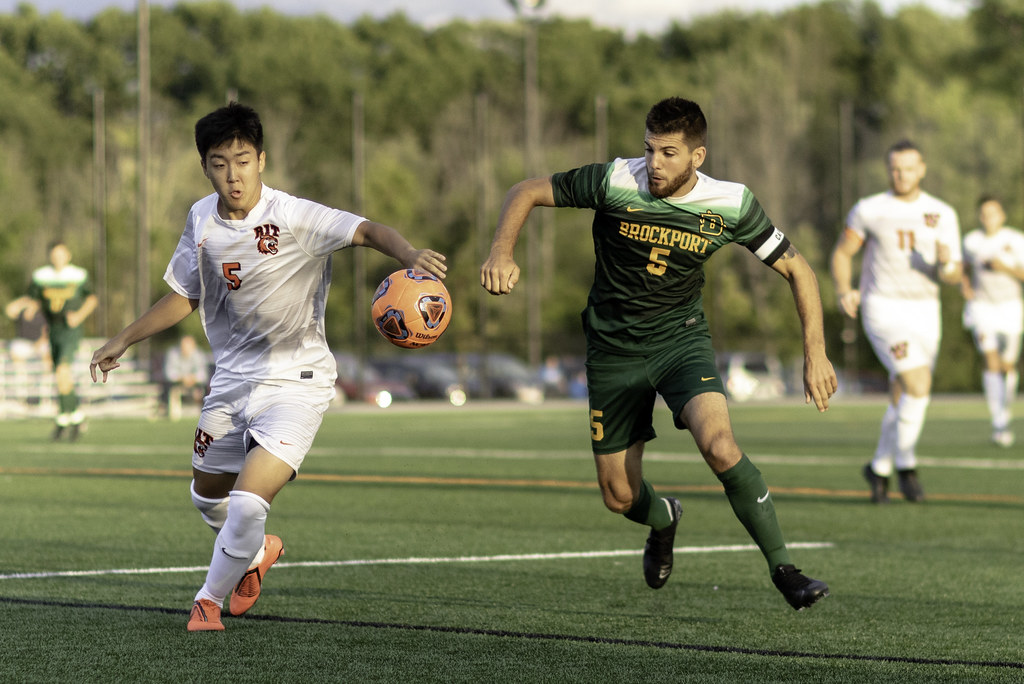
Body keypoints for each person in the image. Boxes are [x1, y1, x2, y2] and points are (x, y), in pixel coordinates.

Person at [89, 102, 447, 632]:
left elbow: (370, 231)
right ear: (205, 166)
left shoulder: (295, 216)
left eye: (242, 160)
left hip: (297, 384)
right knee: (206, 497)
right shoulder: (199, 218)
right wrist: (123, 338)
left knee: (249, 502)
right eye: (218, 163)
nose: (233, 176)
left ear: (262, 159)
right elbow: (185, 294)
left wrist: (408, 253)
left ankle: (207, 601)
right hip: (231, 381)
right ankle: (255, 555)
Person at [481, 97, 836, 611]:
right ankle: (664, 518)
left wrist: (815, 352)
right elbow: (527, 190)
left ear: (698, 156)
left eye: (669, 152)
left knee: (718, 445)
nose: (655, 163)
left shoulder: (731, 203)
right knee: (619, 497)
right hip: (612, 352)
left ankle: (785, 570)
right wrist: (500, 252)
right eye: (649, 148)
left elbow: (799, 270)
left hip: (680, 343)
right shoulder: (614, 180)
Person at [831, 140, 962, 504]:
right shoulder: (870, 209)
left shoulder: (943, 213)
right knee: (918, 383)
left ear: (922, 169)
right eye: (894, 168)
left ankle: (880, 467)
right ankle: (905, 465)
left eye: (907, 168)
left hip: (926, 311)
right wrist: (845, 289)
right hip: (883, 309)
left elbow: (954, 275)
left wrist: (946, 263)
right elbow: (843, 253)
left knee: (904, 393)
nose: (900, 174)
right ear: (888, 170)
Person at [8, 240, 97, 440]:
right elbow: (33, 298)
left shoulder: (78, 275)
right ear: (50, 256)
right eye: (54, 255)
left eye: (61, 254)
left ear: (68, 255)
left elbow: (92, 299)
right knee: (60, 376)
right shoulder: (41, 276)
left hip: (70, 331)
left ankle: (67, 418)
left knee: (62, 370)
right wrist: (24, 307)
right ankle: (71, 417)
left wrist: (79, 316)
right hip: (52, 330)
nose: (57, 258)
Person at [960, 195, 1024, 447]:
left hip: (1010, 308)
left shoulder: (1015, 239)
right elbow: (963, 267)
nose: (988, 218)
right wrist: (965, 286)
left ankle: (1004, 411)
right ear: (979, 216)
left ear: (1002, 215)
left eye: (993, 213)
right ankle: (998, 421)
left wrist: (1004, 267)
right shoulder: (971, 241)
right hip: (982, 308)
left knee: (1008, 366)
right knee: (991, 361)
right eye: (984, 213)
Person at [162, 334, 210, 419]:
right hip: (178, 382)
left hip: (194, 382)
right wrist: (182, 377)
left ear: (193, 346)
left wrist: (193, 378)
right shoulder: (173, 353)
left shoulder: (199, 354)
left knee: (206, 386)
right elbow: (169, 373)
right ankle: (167, 410)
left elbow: (203, 373)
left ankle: (205, 412)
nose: (185, 348)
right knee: (167, 385)